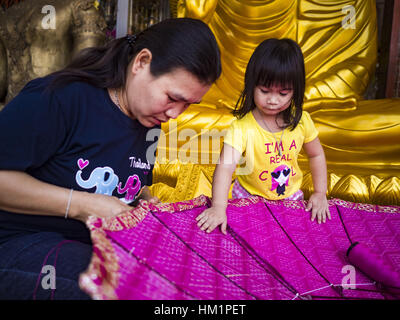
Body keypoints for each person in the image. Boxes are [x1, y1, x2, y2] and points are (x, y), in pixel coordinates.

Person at [0, 17, 221, 299]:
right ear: (141, 62)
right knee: (123, 289)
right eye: (171, 97)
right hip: (18, 242)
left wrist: (145, 202)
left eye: (188, 104)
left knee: (185, 277)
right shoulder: (62, 98)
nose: (176, 114)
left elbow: (134, 184)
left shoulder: (151, 125)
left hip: (95, 244)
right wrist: (79, 204)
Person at [196, 38, 330, 235]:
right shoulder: (241, 127)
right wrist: (218, 207)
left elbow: (316, 155)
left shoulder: (303, 121)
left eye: (283, 93)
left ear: (296, 90)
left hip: (290, 198)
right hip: (247, 196)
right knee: (247, 239)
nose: (273, 100)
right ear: (252, 85)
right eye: (265, 91)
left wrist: (319, 193)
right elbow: (225, 167)